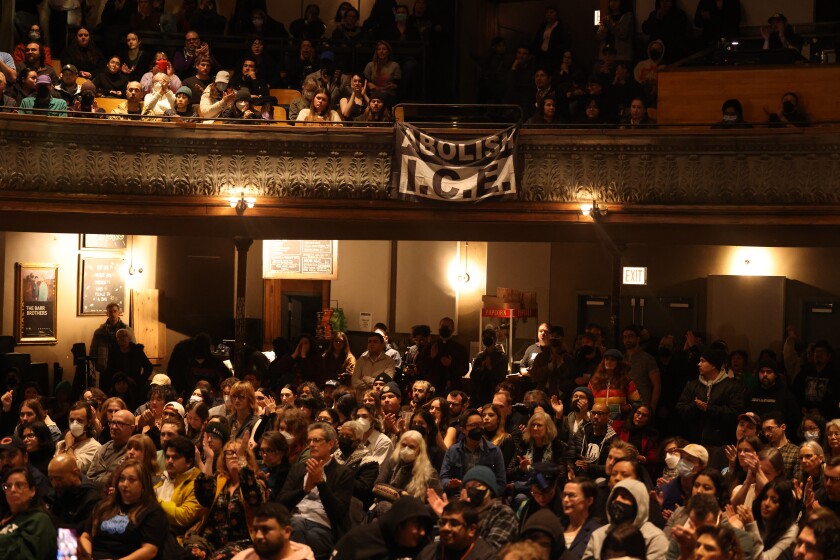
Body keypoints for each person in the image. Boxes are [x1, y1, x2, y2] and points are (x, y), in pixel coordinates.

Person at [278, 422, 354, 560]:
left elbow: (339, 513)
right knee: (297, 525)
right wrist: (304, 490)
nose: (311, 444)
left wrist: (320, 483)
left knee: (304, 534)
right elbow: (281, 502)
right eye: (309, 441)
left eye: (317, 440)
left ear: (330, 444)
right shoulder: (298, 469)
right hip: (296, 520)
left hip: (323, 526)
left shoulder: (343, 473)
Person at [81, 460, 169, 560]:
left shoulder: (152, 512)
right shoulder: (104, 505)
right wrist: (88, 557)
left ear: (143, 485)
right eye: (122, 479)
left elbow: (150, 550)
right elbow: (86, 536)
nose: (125, 484)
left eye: (131, 480)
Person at [429, 465, 520, 552]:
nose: (472, 490)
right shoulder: (462, 511)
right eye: (468, 487)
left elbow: (490, 551)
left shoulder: (503, 513)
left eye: (478, 486)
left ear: (490, 490)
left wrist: (464, 517)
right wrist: (447, 518)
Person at [583, 478, 669, 559]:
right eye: (614, 497)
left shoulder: (654, 538)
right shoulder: (598, 534)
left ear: (639, 504)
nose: (617, 500)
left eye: (624, 497)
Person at [676, 349, 744, 451]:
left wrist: (709, 409)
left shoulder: (732, 386)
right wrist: (695, 406)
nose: (699, 364)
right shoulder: (692, 385)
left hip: (721, 444)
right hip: (693, 442)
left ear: (713, 365)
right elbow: (680, 409)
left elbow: (735, 413)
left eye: (703, 361)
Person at [331, 495, 434, 560]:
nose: (422, 532)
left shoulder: (419, 547)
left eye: (424, 527)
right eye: (417, 524)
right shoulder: (360, 539)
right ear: (399, 523)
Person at [440, 409, 507, 498]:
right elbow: (443, 478)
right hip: (459, 496)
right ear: (463, 429)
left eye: (480, 424)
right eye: (474, 425)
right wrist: (450, 484)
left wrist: (486, 495)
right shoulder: (452, 451)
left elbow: (501, 484)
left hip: (485, 498)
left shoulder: (494, 451)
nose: (478, 428)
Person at [0, 467, 57, 560]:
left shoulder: (39, 520)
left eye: (19, 485)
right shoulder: (5, 517)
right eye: (8, 486)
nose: (12, 490)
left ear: (32, 491)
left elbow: (24, 556)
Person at [155, 435, 204, 542]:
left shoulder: (198, 484)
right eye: (167, 457)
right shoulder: (161, 478)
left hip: (175, 539)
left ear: (189, 462)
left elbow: (184, 517)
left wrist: (154, 501)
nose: (169, 461)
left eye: (175, 457)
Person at [231, 502, 315, 560]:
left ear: (287, 532)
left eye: (265, 529)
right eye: (256, 530)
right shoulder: (245, 556)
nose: (258, 536)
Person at [417, 499, 498, 560]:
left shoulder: (486, 557)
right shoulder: (427, 553)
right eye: (443, 522)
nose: (445, 528)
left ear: (472, 530)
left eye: (454, 524)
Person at [47, 453, 101, 532]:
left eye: (59, 479)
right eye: (51, 479)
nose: (54, 484)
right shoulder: (57, 491)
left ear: (75, 473)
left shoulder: (91, 499)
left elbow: (82, 530)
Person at [589, 348, 642, 420]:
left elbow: (637, 402)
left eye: (612, 360)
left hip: (618, 420)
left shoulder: (626, 381)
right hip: (598, 419)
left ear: (618, 363)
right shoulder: (595, 381)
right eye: (607, 359)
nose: (609, 362)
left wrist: (623, 408)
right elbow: (588, 400)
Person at [86, 409, 135, 483]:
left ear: (131, 428)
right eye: (112, 423)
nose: (114, 427)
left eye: (120, 423)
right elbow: (89, 477)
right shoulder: (102, 449)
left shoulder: (133, 452)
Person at [90, 302, 135, 375]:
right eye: (110, 312)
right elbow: (93, 350)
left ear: (119, 312)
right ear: (107, 313)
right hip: (105, 367)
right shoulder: (99, 332)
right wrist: (98, 365)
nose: (113, 314)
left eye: (115, 311)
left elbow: (133, 349)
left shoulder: (127, 330)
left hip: (122, 366)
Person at [562, 477, 600, 558]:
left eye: (571, 496)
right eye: (564, 495)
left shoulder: (596, 532)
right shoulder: (558, 525)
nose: (565, 500)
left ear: (589, 501)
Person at [364, 41, 401, 107]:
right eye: (379, 49)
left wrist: (394, 86)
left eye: (384, 49)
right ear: (377, 52)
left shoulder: (395, 65)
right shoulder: (370, 65)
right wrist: (369, 84)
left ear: (388, 51)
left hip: (388, 94)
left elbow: (398, 84)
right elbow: (363, 79)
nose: (381, 51)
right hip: (373, 93)